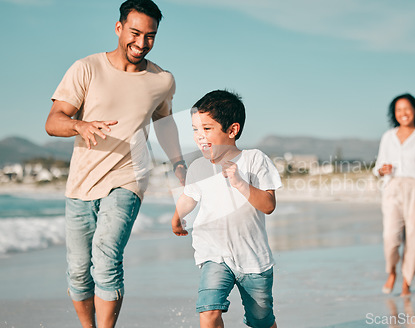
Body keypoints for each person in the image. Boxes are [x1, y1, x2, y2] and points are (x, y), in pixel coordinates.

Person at [45, 0, 186, 327]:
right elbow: (53, 121)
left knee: (106, 256)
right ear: (119, 28)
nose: (141, 43)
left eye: (150, 36)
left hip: (129, 178)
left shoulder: (162, 80)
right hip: (82, 181)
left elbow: (165, 123)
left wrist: (178, 161)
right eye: (135, 33)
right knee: (79, 270)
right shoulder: (87, 68)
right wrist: (79, 125)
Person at [171, 90, 281, 328]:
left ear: (232, 130)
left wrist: (241, 183)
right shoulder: (198, 167)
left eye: (207, 129)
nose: (200, 136)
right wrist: (177, 217)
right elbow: (189, 198)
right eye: (195, 130)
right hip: (214, 255)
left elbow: (268, 205)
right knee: (208, 311)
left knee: (261, 321)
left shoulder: (254, 159)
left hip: (253, 259)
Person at [373, 93, 415, 297]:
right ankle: (392, 271)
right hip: (392, 188)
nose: (403, 113)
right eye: (399, 109)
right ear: (394, 114)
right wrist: (382, 170)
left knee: (414, 237)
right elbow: (377, 167)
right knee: (390, 237)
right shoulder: (388, 137)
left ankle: (407, 281)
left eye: (407, 108)